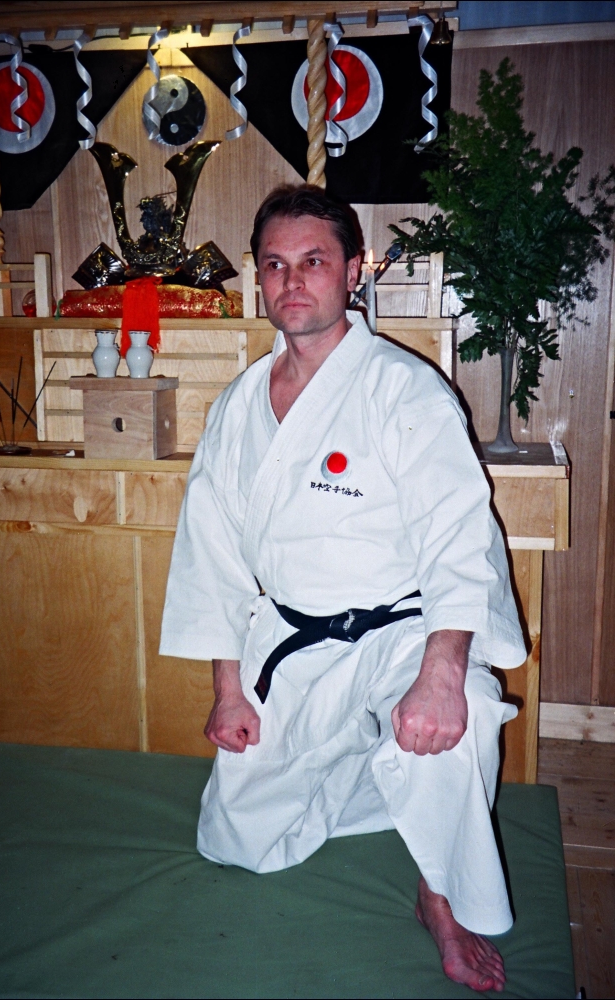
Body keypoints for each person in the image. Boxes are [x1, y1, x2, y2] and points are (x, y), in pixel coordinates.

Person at [160, 187, 526, 994]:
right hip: (296, 641)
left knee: (462, 714)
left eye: (314, 261)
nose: (292, 282)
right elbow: (212, 557)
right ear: (259, 277)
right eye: (275, 265)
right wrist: (228, 690)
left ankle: (440, 897)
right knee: (239, 843)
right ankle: (375, 766)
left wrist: (440, 675)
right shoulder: (239, 406)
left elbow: (460, 535)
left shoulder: (404, 390)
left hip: (404, 636)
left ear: (353, 272)